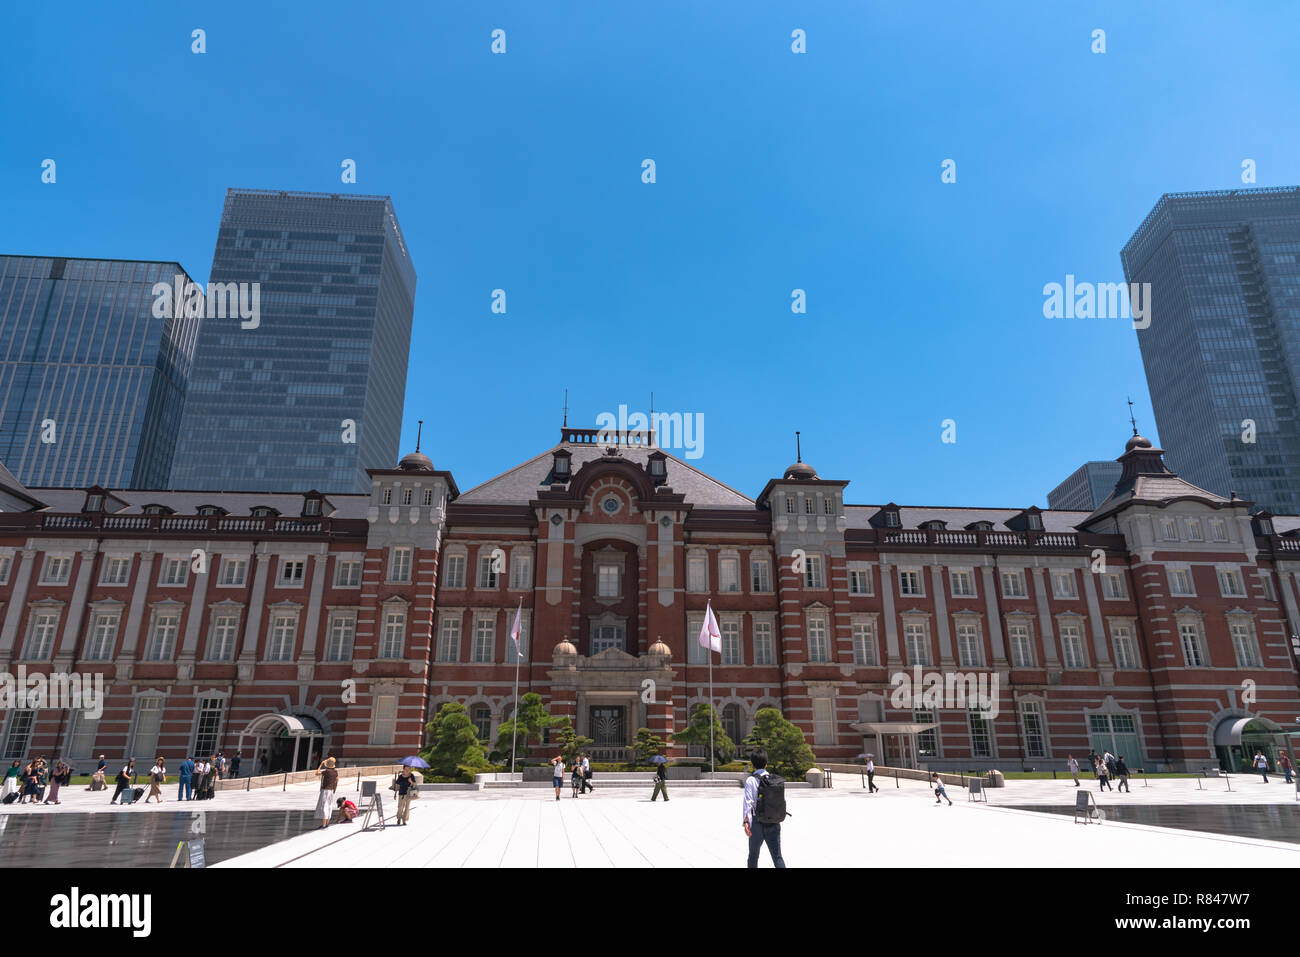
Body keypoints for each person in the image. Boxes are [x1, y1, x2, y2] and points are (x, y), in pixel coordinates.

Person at [742, 750, 787, 868]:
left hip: (757, 823)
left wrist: (746, 822)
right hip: (773, 821)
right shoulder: (773, 780)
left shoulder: (751, 780)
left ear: (752, 764)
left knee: (753, 856)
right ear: (766, 763)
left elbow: (748, 802)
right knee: (777, 857)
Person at [314, 757, 338, 829]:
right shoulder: (335, 772)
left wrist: (321, 764)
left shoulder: (327, 771)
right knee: (329, 806)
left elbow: (317, 773)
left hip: (325, 790)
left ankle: (324, 824)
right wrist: (334, 789)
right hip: (331, 791)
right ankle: (327, 823)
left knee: (324, 806)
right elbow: (337, 780)